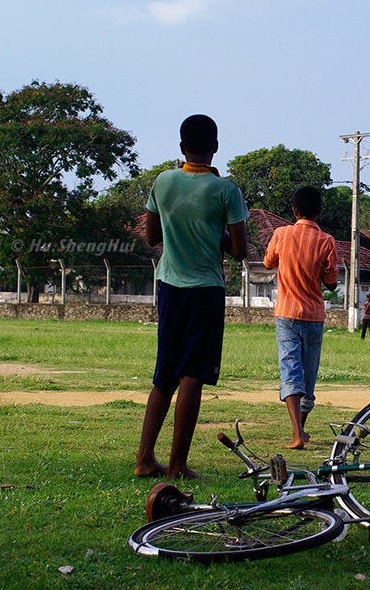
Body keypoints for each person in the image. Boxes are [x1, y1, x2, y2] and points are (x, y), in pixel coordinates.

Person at [134, 114, 249, 479]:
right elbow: (241, 250)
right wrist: (214, 232)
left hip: (169, 286)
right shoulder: (226, 191)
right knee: (193, 376)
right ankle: (178, 464)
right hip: (205, 290)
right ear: (215, 147)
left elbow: (152, 238)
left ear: (181, 147)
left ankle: (145, 458)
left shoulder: (163, 182)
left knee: (163, 376)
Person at [263, 186, 338, 450]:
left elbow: (268, 263)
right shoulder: (327, 240)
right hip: (314, 316)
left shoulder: (281, 234)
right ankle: (301, 430)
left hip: (286, 313)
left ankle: (296, 432)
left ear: (294, 211)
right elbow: (331, 282)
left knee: (290, 368)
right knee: (308, 374)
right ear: (319, 211)